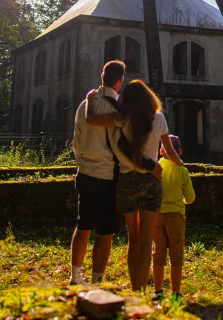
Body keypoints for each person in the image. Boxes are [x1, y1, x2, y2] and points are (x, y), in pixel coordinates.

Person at [70, 61, 161, 287]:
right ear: (120, 81)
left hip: (85, 172)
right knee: (105, 233)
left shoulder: (84, 105)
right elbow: (121, 145)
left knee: (82, 227)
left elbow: (77, 139)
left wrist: (83, 160)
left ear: (102, 76)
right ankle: (96, 282)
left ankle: (75, 276)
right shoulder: (117, 110)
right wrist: (150, 165)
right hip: (109, 177)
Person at [86, 80, 183, 291]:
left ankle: (135, 288)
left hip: (127, 181)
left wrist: (89, 101)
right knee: (147, 239)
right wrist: (181, 166)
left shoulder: (122, 118)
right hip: (152, 182)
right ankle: (143, 291)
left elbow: (91, 120)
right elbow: (170, 152)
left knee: (134, 238)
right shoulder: (159, 119)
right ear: (149, 97)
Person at [152, 135, 195, 300]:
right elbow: (190, 198)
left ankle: (157, 290)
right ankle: (175, 292)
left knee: (158, 252)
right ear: (180, 152)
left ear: (161, 151)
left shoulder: (155, 168)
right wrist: (181, 201)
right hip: (176, 215)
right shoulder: (182, 171)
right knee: (176, 254)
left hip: (157, 214)